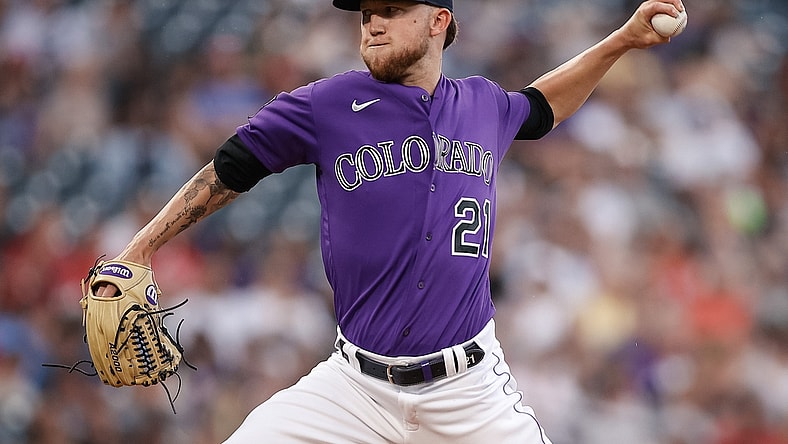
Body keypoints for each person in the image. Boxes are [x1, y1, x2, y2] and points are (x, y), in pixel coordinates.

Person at [96, 0, 684, 442]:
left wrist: (622, 41)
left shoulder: (483, 105)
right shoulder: (326, 104)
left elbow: (542, 106)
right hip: (355, 387)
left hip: (470, 389)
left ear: (437, 21)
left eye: (392, 11)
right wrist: (143, 246)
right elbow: (233, 166)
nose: (372, 24)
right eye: (367, 15)